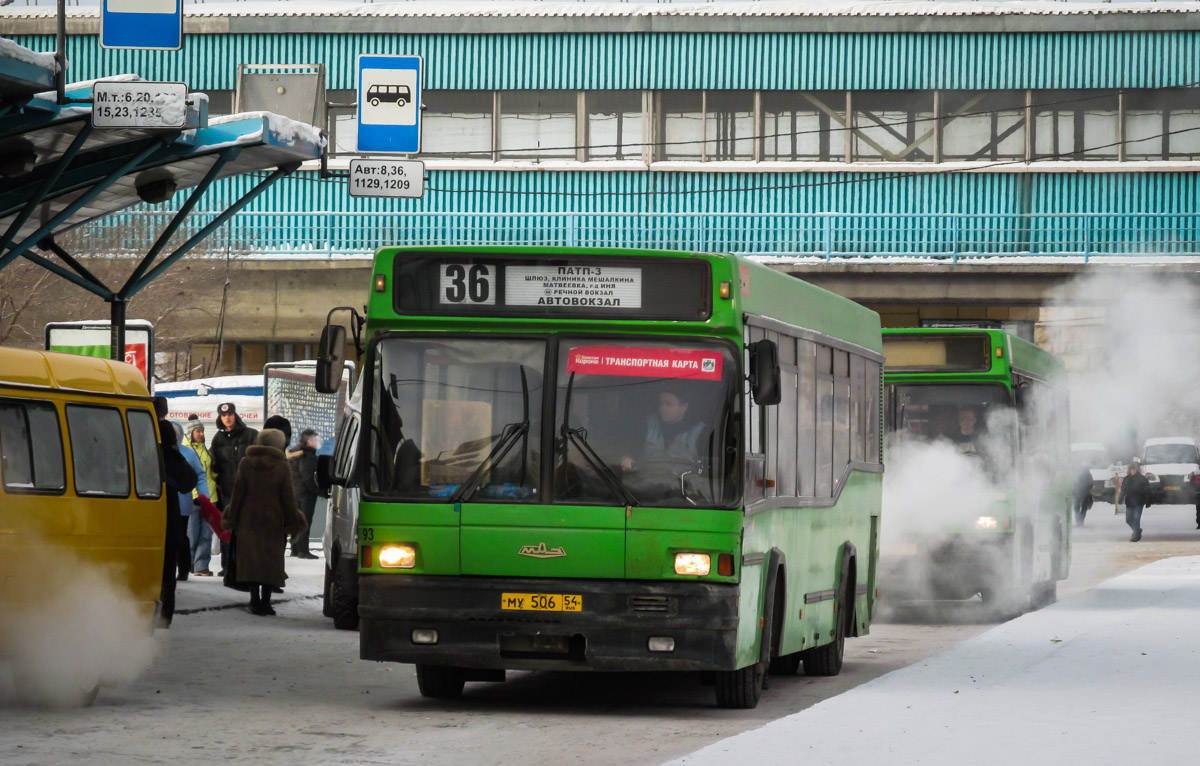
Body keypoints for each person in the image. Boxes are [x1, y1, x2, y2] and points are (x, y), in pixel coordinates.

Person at [221, 429, 308, 616]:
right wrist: (293, 522)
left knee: (251, 559)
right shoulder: (282, 466)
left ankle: (254, 600)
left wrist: (232, 517)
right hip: (273, 521)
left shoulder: (246, 463)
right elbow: (288, 498)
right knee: (270, 560)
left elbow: (237, 494)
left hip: (248, 519)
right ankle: (266, 602)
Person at [211, 402, 258, 576]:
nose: (227, 418)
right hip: (228, 492)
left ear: (235, 415)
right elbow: (214, 465)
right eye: (223, 415)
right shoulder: (217, 439)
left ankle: (246, 565)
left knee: (246, 530)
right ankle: (228, 566)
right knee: (228, 530)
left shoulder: (250, 435)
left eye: (230, 414)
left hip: (248, 492)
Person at [159, 419, 197, 628]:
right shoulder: (173, 457)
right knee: (167, 575)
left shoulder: (140, 452)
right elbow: (188, 482)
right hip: (169, 523)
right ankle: (164, 617)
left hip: (143, 523)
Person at [620, 388, 707, 473]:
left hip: (684, 484)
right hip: (646, 482)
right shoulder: (646, 425)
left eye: (669, 404)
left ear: (684, 407)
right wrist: (626, 458)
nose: (663, 408)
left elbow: (707, 466)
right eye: (661, 403)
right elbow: (629, 452)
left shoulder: (700, 433)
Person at [185, 415, 218, 575]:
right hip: (193, 497)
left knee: (206, 534)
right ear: (190, 432)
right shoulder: (187, 452)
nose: (201, 434)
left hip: (210, 497)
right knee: (192, 533)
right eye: (198, 431)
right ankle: (189, 563)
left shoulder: (205, 450)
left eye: (202, 431)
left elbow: (210, 473)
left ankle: (201, 566)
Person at [289, 429, 321, 559]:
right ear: (309, 441)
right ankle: (303, 550)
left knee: (296, 521)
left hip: (294, 491)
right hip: (305, 493)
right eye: (315, 439)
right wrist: (316, 490)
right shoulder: (307, 455)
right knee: (305, 522)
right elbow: (307, 476)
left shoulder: (294, 452)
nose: (317, 442)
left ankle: (295, 549)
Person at [1118, 461, 1152, 542]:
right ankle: (1137, 530)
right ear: (1129, 470)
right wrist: (1120, 498)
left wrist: (1148, 501)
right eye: (1131, 470)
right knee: (1128, 519)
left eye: (1134, 470)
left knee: (1136, 519)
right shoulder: (1126, 479)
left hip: (1139, 502)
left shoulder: (1143, 479)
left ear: (1137, 470)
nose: (1133, 471)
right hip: (1129, 502)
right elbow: (1123, 490)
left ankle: (1135, 536)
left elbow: (1148, 491)